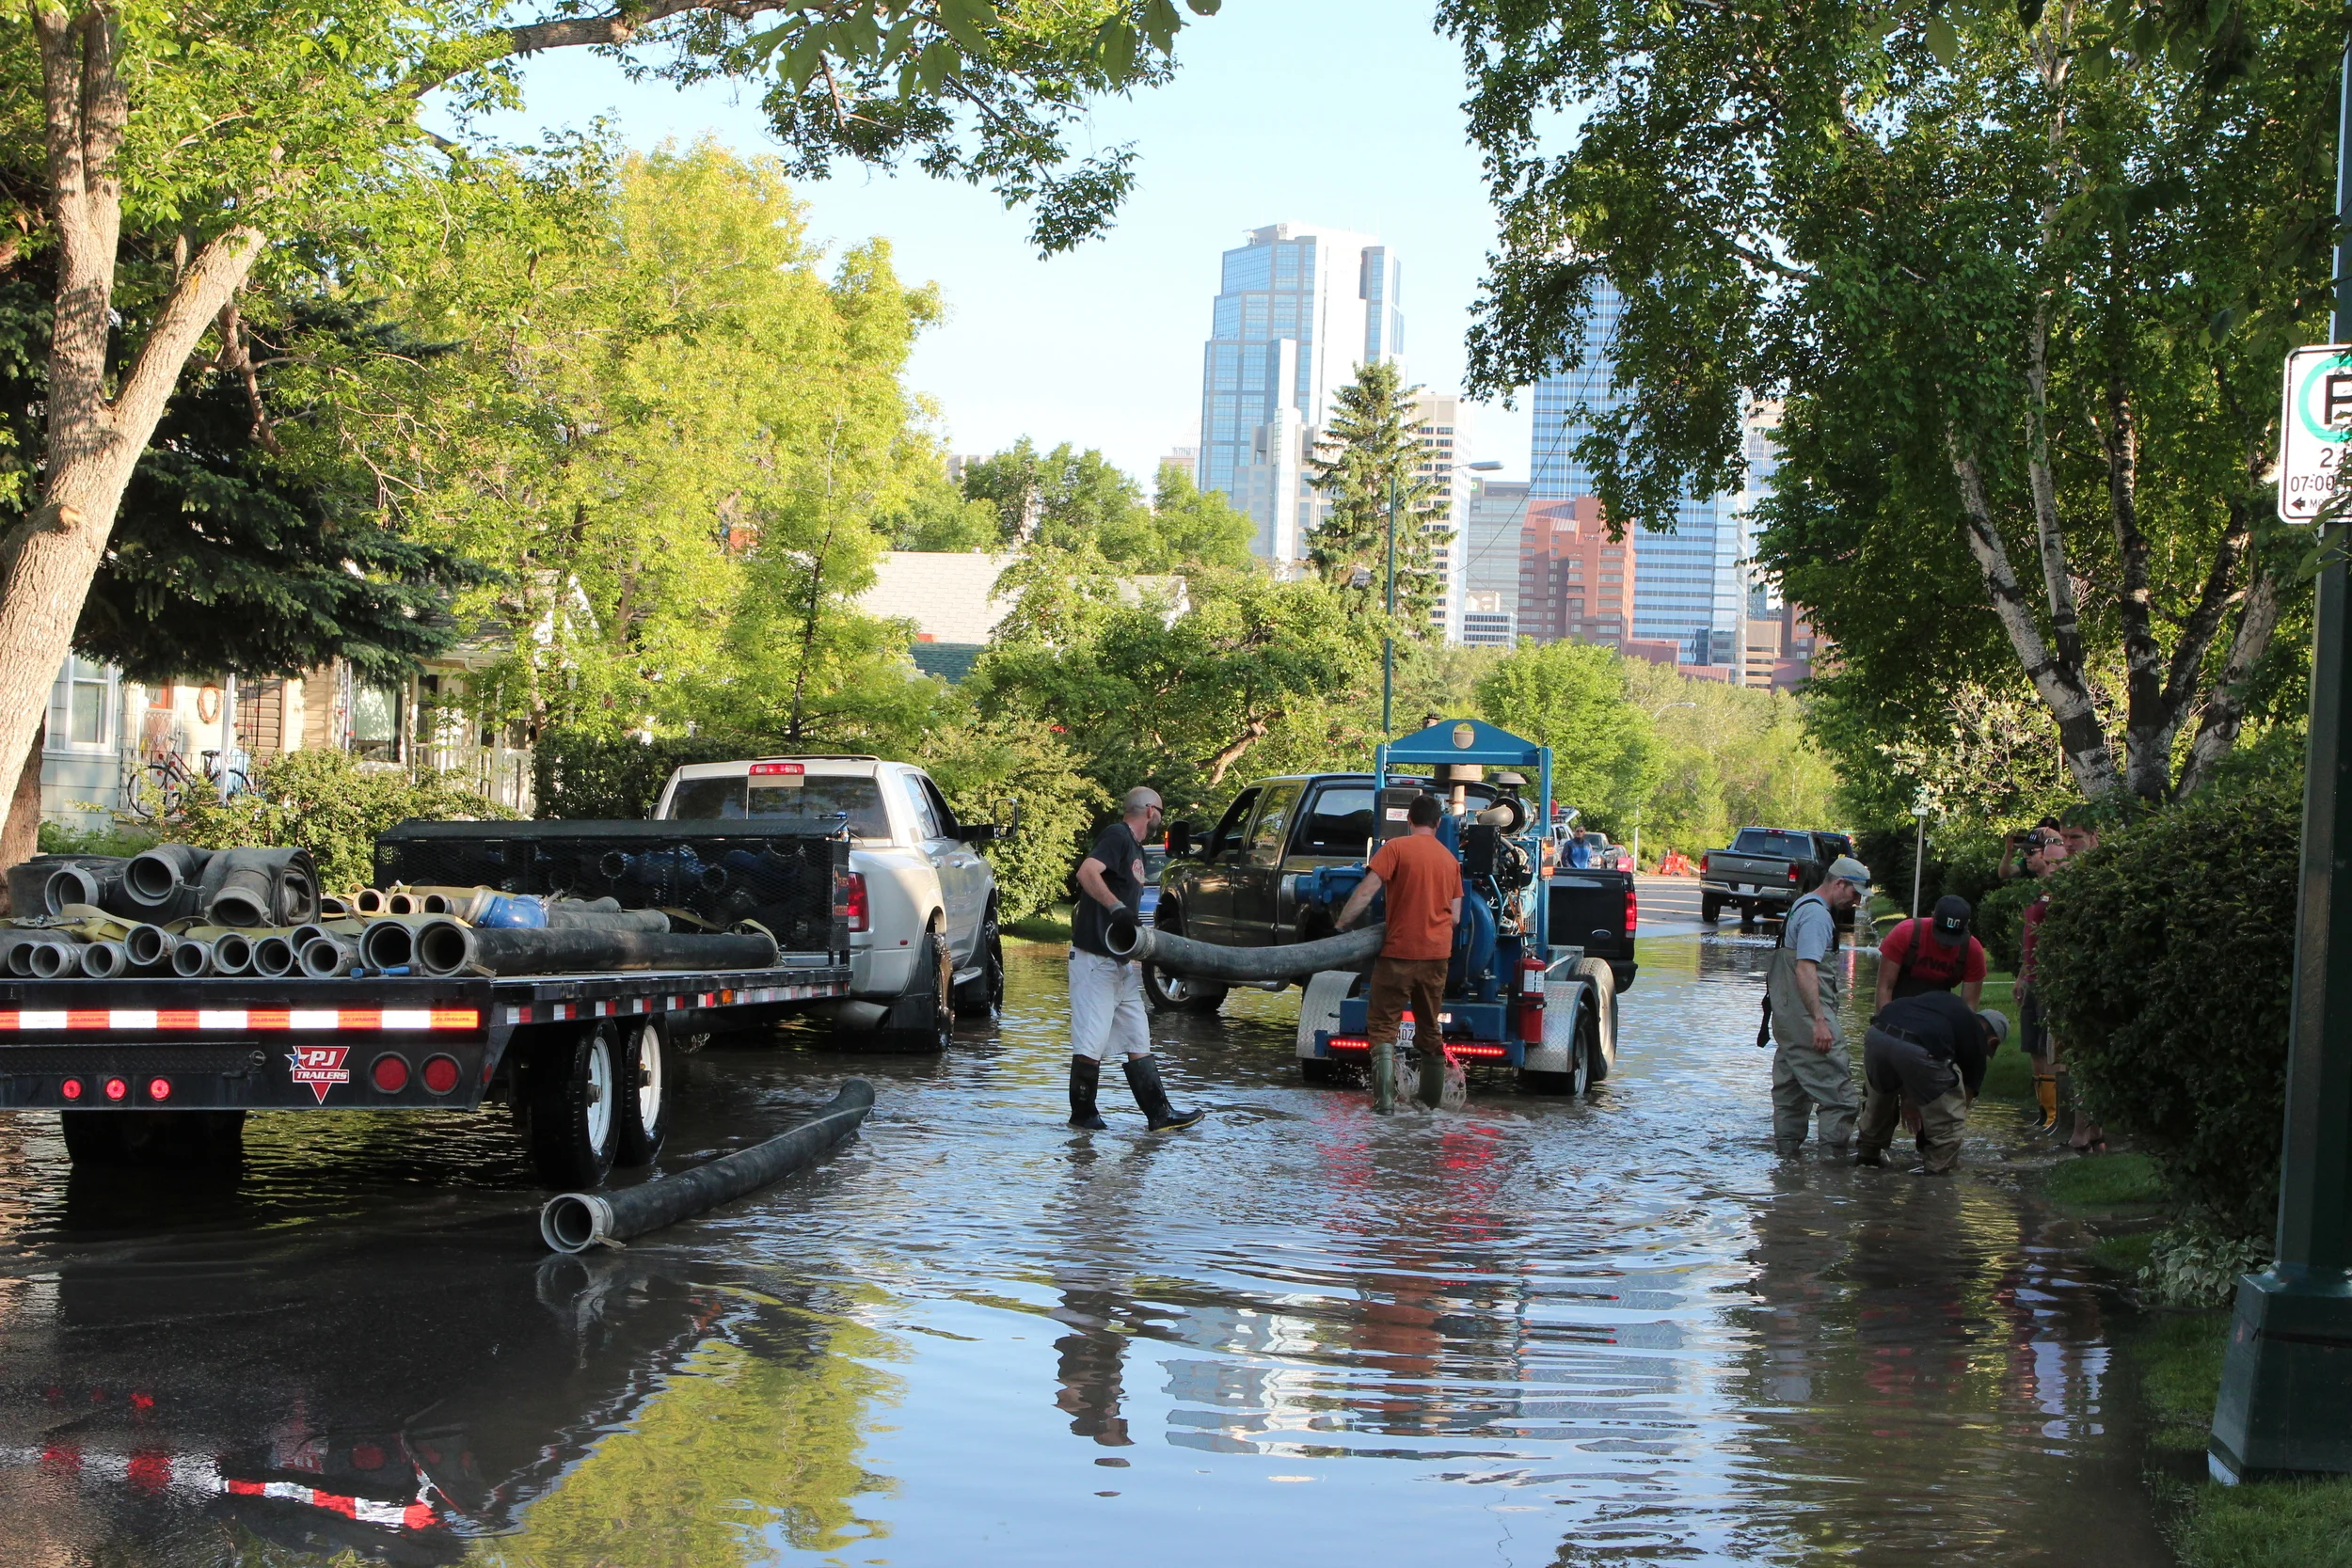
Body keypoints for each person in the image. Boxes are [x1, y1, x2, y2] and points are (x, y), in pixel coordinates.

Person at [1067, 786, 1203, 1132]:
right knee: (1091, 1041)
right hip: (1093, 959)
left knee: (1137, 1036)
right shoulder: (1117, 835)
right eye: (1161, 810)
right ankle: (1083, 1119)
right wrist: (1115, 908)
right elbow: (1086, 872)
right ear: (1149, 811)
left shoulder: (1136, 847)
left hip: (1119, 963)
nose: (1162, 817)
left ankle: (1160, 1115)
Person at [1337, 793, 1465, 1113]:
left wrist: (1341, 925)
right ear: (1437, 824)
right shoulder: (1450, 861)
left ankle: (1385, 1105)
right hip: (1436, 957)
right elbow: (1458, 916)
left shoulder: (1394, 849)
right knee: (1429, 1027)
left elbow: (1367, 890)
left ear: (1409, 820)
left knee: (1382, 1027)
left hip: (1398, 954)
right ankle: (1429, 1107)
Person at [1765, 855, 1873, 1157]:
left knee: (1791, 1091)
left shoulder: (1802, 905)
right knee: (1840, 1099)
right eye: (1855, 894)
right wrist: (1820, 1022)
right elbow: (1805, 969)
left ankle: (1786, 1165)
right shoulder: (1817, 917)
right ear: (1840, 884)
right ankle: (1832, 1171)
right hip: (1809, 1020)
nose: (1856, 902)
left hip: (1787, 1020)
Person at [1854, 991, 2010, 1173]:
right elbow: (1959, 1105)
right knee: (1948, 1127)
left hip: (1878, 1033)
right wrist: (1929, 1134)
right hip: (1918, 1046)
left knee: (1880, 1102)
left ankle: (1867, 1160)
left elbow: (1903, 1043)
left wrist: (1910, 1098)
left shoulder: (1947, 1007)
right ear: (1993, 1042)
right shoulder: (1976, 1043)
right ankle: (1935, 1182)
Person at [2017, 834, 2067, 1132]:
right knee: (2034, 1046)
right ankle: (2044, 1110)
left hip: (2049, 979)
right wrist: (2023, 975)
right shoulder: (2040, 891)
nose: (2030, 857)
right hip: (2033, 977)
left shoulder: (2060, 892)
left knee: (2051, 1048)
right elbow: (2032, 936)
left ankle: (2056, 1114)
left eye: (2034, 852)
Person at [1873, 894, 1988, 1011]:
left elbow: (1969, 1005)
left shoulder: (1972, 951)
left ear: (1967, 925)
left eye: (1954, 936)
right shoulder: (1905, 934)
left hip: (1939, 1011)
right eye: (1942, 932)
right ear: (1933, 916)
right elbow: (1885, 987)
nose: (1946, 943)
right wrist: (1885, 1021)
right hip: (1898, 1004)